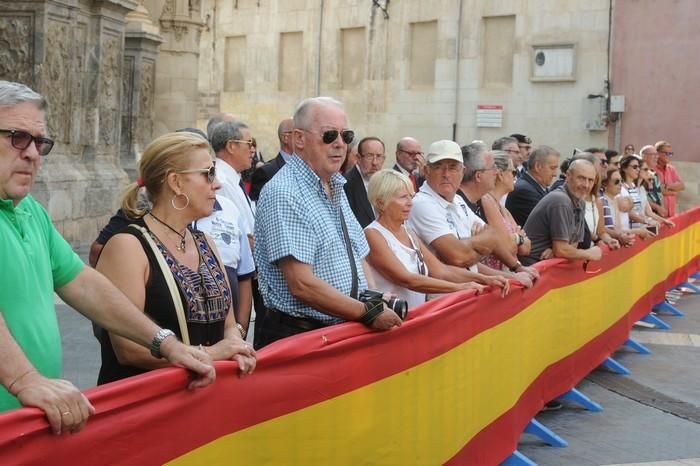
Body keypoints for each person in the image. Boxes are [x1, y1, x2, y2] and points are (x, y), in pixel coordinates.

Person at [0, 80, 215, 434]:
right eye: (17, 138)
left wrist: (164, 342)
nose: (32, 154)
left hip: (27, 426)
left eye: (39, 142)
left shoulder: (31, 213)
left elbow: (85, 284)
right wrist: (25, 380)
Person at [95, 132, 256, 384]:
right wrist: (213, 354)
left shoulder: (205, 242)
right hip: (148, 403)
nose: (218, 184)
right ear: (176, 182)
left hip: (203, 402)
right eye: (208, 174)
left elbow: (228, 324)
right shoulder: (128, 246)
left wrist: (236, 345)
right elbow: (127, 348)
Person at [254, 97, 403, 349]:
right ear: (299, 139)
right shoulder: (285, 192)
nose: (340, 144)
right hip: (300, 337)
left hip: (337, 330)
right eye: (329, 135)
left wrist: (375, 299)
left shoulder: (335, 184)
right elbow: (301, 284)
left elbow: (358, 253)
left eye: (346, 136)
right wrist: (367, 313)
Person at [364, 169, 485, 308]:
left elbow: (441, 270)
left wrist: (483, 279)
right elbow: (408, 280)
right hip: (394, 323)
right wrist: (460, 287)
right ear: (380, 202)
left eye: (411, 196)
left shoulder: (408, 232)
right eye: (403, 197)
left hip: (416, 318)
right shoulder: (372, 234)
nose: (410, 203)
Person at [407, 140, 511, 294]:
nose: (446, 174)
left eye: (453, 168)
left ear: (463, 171)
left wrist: (513, 272)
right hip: (441, 300)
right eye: (438, 167)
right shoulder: (422, 204)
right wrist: (480, 245)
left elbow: (493, 236)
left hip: (465, 293)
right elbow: (459, 258)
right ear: (426, 170)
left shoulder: (458, 200)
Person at [458, 143, 539, 286]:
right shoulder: (480, 201)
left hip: (489, 280)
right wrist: (517, 239)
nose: (496, 173)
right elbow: (463, 257)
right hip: (477, 286)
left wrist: (517, 266)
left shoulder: (485, 203)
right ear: (478, 175)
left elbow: (523, 247)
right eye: (492, 168)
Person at [522, 160, 603, 265]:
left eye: (591, 180)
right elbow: (561, 249)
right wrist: (588, 254)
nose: (586, 185)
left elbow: (573, 243)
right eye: (581, 178)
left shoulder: (580, 202)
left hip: (546, 268)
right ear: (568, 175)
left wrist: (559, 251)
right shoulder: (561, 200)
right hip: (533, 268)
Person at [209, 120, 256, 244]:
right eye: (249, 144)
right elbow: (236, 232)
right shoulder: (222, 182)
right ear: (231, 146)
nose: (253, 150)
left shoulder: (232, 178)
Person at [505, 145, 561, 227]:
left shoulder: (536, 187)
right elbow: (551, 223)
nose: (555, 174)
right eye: (552, 168)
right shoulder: (524, 191)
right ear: (538, 167)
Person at [344, 136, 385, 228]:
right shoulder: (346, 185)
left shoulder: (386, 183)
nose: (375, 162)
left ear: (384, 159)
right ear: (358, 158)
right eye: (369, 156)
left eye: (378, 156)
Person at [249, 118, 293, 201]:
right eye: (299, 134)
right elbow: (258, 209)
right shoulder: (265, 172)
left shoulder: (310, 168)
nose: (304, 139)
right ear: (285, 138)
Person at [655, 140, 684, 217]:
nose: (669, 155)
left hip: (671, 214)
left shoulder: (671, 169)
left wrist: (667, 186)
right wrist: (673, 192)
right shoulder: (652, 169)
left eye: (670, 153)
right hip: (658, 215)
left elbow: (682, 186)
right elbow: (657, 191)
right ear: (657, 153)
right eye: (666, 153)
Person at [639, 144, 666, 216]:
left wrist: (662, 207)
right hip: (645, 214)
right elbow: (640, 196)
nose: (656, 157)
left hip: (657, 214)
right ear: (644, 156)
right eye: (653, 154)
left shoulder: (655, 174)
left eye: (656, 154)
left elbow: (659, 193)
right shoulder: (639, 174)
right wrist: (657, 207)